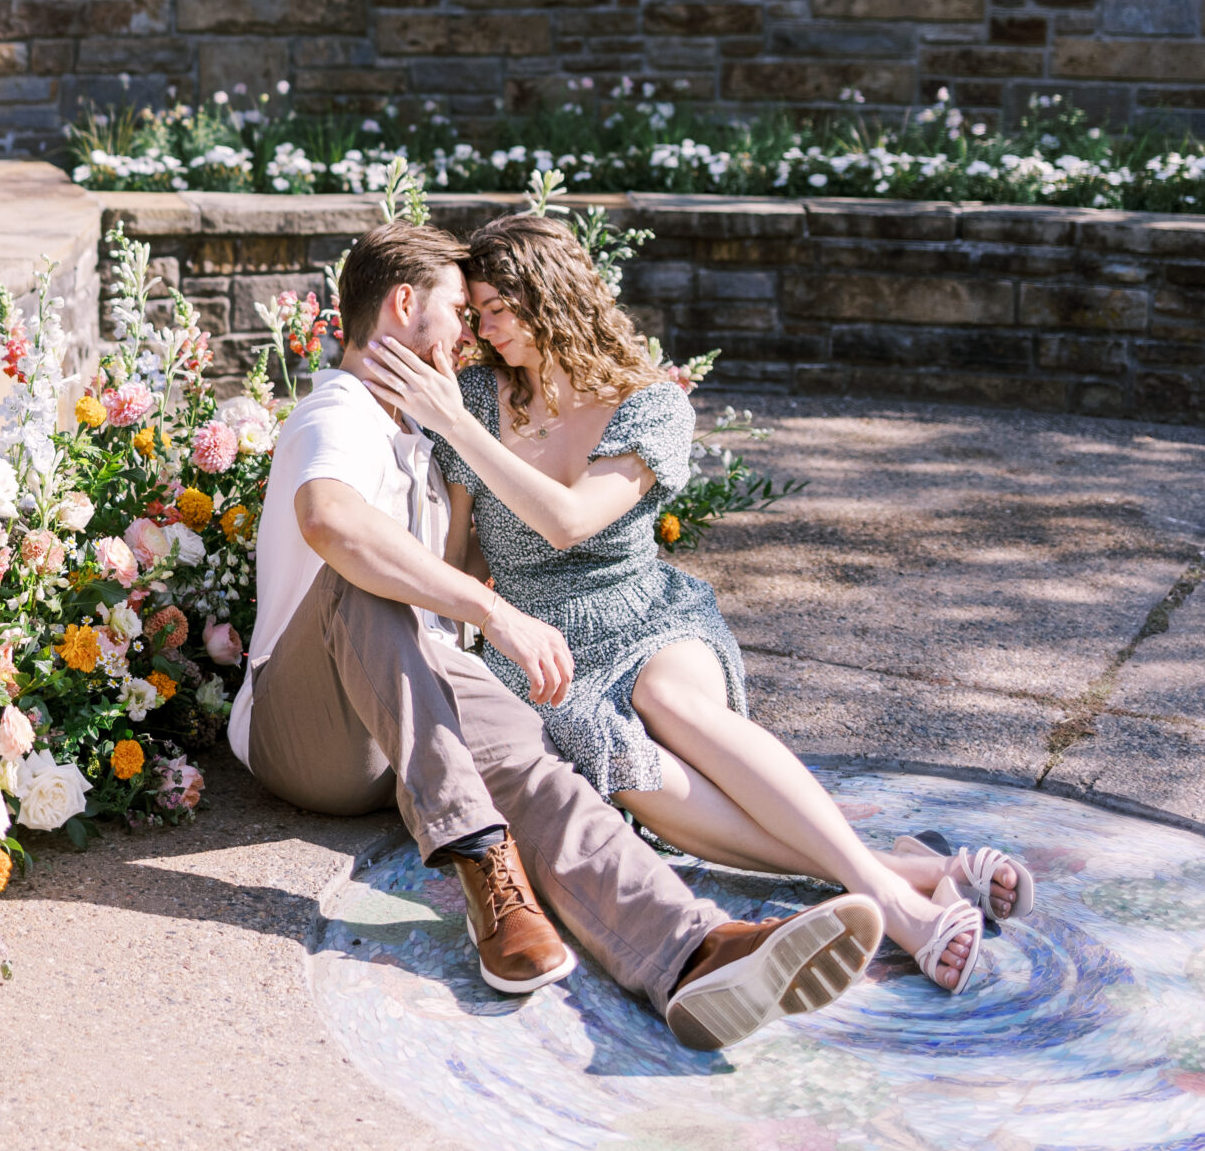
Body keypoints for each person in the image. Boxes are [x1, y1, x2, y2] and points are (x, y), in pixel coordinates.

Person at [228, 219, 885, 1051]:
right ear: (402, 305)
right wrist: (493, 611)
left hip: (404, 730)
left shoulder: (419, 434)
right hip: (304, 739)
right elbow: (330, 523)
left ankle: (690, 952)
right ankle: (480, 861)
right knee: (369, 585)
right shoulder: (340, 412)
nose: (472, 334)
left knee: (535, 763)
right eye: (460, 311)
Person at [364, 212, 1039, 1000]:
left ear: (549, 299)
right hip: (550, 648)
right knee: (623, 759)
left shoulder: (647, 404)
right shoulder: (475, 396)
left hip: (648, 616)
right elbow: (462, 556)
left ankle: (893, 906)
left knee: (664, 696)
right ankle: (911, 871)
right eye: (474, 313)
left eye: (498, 310)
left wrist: (451, 424)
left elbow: (569, 520)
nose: (483, 329)